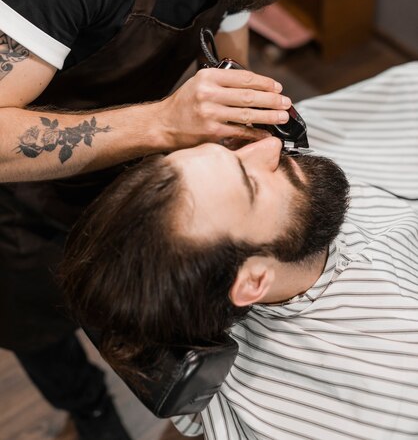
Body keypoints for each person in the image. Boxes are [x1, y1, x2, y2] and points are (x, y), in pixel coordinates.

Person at [0, 0, 413, 437]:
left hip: (164, 191)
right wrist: (166, 124)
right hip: (32, 209)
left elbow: (225, 43)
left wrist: (243, 114)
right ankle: (86, 407)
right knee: (33, 321)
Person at [62, 61, 418, 439]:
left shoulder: (209, 290)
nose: (270, 147)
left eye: (229, 154)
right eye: (250, 185)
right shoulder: (389, 389)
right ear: (254, 280)